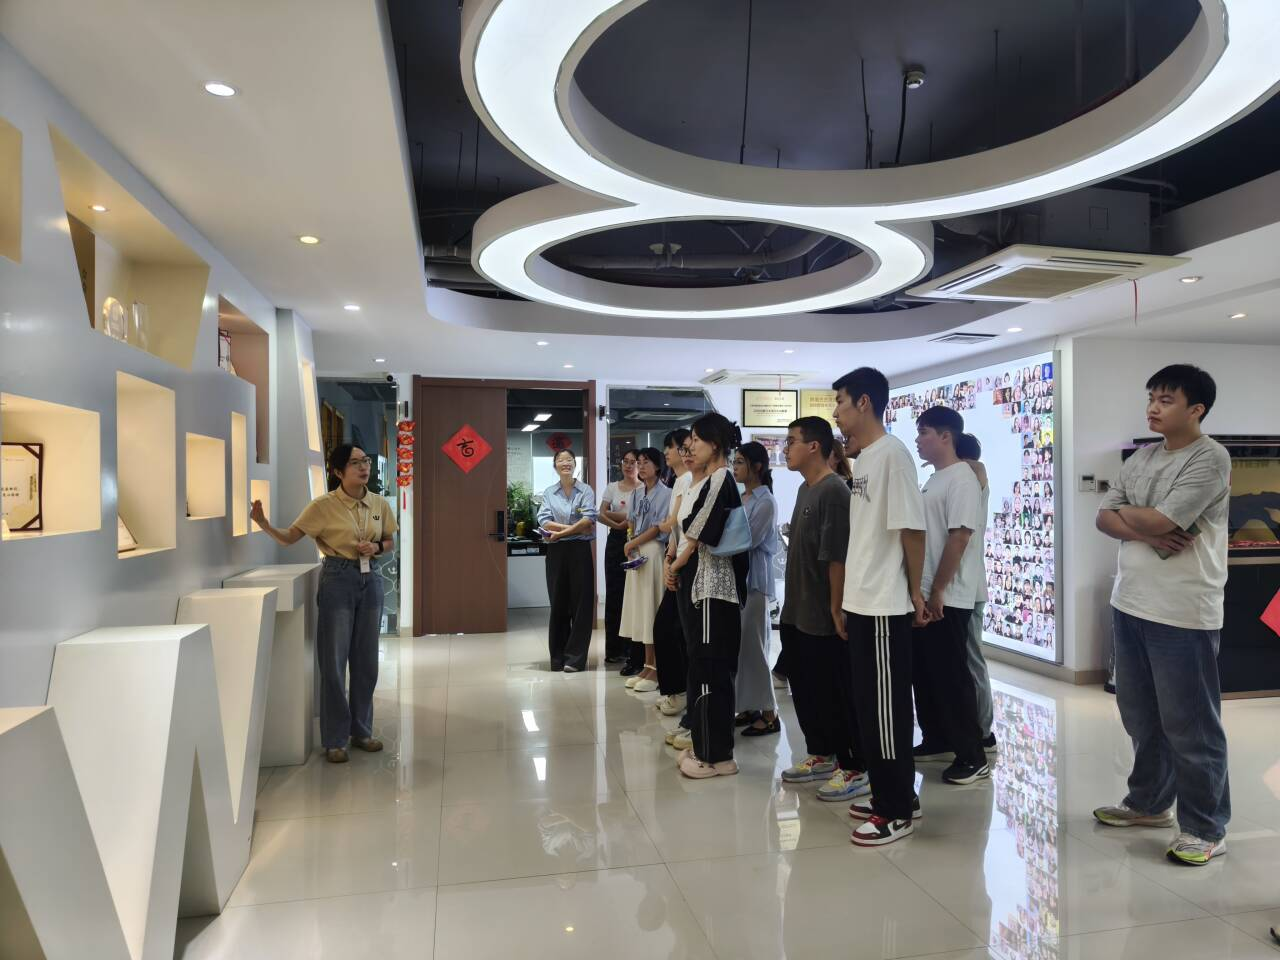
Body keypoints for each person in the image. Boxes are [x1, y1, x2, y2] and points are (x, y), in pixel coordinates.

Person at [1093, 364, 1232, 866]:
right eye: (1151, 397)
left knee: (1191, 725)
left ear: (1196, 409)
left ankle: (1205, 827)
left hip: (1183, 610)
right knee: (1140, 716)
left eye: (1166, 399)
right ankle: (1149, 804)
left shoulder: (1210, 458)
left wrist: (1136, 516)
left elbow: (1164, 517)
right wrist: (1144, 528)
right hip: (1130, 602)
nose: (1153, 407)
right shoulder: (1144, 455)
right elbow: (1103, 517)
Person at [251, 444, 396, 764]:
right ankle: (335, 739)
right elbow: (290, 537)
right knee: (334, 661)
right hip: (338, 578)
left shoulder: (378, 503)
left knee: (366, 662)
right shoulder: (323, 506)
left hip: (371, 579)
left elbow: (390, 541)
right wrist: (264, 524)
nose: (364, 467)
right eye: (355, 463)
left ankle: (362, 731)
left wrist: (376, 547)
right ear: (338, 472)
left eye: (365, 461)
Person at [833, 367, 927, 846]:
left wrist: (916, 592)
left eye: (841, 402)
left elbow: (911, 529)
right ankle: (894, 793)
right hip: (863, 600)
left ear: (865, 402)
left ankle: (896, 810)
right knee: (870, 709)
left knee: (888, 711)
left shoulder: (893, 454)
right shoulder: (866, 457)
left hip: (887, 602)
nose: (836, 412)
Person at [777, 416, 867, 803]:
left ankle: (854, 767)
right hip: (796, 610)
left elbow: (837, 558)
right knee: (806, 690)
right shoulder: (805, 489)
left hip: (822, 614)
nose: (786, 449)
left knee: (833, 693)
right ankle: (821, 754)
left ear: (814, 446)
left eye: (792, 441)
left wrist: (835, 607)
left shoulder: (834, 491)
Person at [668, 413, 749, 779]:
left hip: (713, 591)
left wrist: (675, 564)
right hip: (699, 587)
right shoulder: (703, 482)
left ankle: (716, 757)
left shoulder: (721, 478)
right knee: (702, 666)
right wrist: (674, 564)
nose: (691, 448)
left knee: (711, 670)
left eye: (697, 441)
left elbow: (699, 531)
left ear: (715, 444)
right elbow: (685, 533)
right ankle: (706, 748)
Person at [912, 406, 989, 786]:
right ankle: (937, 738)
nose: (918, 440)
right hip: (926, 591)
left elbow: (959, 537)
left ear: (946, 436)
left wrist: (938, 590)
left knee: (952, 676)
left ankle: (972, 756)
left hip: (948, 595)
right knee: (927, 675)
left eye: (924, 432)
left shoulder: (962, 479)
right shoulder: (934, 479)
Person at [733, 442, 780, 736]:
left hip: (754, 580)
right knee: (742, 648)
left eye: (740, 462)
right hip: (739, 579)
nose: (735, 467)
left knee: (755, 647)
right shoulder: (742, 497)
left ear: (757, 466)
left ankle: (769, 713)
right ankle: (749, 706)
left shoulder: (765, 501)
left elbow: (746, 539)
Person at [537, 448, 597, 673]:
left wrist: (561, 532)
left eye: (569, 459)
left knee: (581, 605)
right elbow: (544, 520)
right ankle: (557, 658)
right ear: (555, 466)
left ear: (575, 464)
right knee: (558, 603)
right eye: (561, 460)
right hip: (556, 552)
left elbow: (589, 519)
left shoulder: (586, 490)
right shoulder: (549, 492)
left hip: (580, 551)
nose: (565, 463)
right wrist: (573, 528)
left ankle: (575, 659)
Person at [956, 431, 998, 754]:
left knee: (972, 660)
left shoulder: (971, 478)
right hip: (965, 588)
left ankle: (984, 732)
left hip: (968, 589)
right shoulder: (967, 479)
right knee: (967, 660)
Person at [619, 448, 672, 693]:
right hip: (637, 551)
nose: (640, 466)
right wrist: (630, 541)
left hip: (653, 551)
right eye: (638, 462)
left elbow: (657, 527)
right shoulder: (637, 492)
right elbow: (631, 521)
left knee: (652, 608)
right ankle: (647, 666)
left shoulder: (667, 493)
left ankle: (657, 669)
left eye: (645, 462)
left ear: (658, 466)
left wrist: (633, 543)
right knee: (641, 610)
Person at [656, 429, 694, 729]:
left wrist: (674, 562)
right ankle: (676, 691)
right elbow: (675, 530)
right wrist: (669, 557)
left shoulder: (688, 479)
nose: (667, 453)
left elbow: (676, 524)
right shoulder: (678, 480)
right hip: (676, 559)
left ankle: (679, 692)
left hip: (686, 563)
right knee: (669, 629)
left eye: (671, 447)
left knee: (669, 629)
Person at [599, 451, 642, 666]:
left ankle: (631, 649)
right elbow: (600, 513)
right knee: (615, 594)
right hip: (615, 542)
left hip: (637, 541)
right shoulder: (612, 487)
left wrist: (618, 517)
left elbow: (636, 517)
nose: (628, 465)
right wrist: (619, 523)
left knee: (633, 595)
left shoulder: (643, 488)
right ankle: (613, 649)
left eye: (633, 462)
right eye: (625, 461)